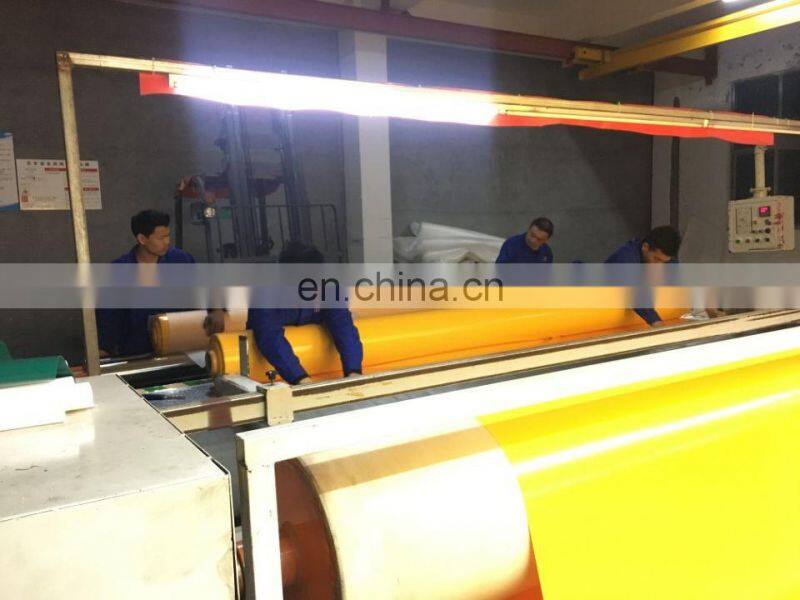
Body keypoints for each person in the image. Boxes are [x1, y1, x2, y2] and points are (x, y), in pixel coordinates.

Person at [205, 242, 363, 385]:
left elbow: (343, 326)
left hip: (317, 369)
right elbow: (269, 335)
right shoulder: (265, 292)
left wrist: (353, 371)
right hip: (270, 369)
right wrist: (300, 378)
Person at [96, 210, 195, 357]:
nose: (167, 242)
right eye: (161, 238)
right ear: (142, 239)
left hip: (179, 349)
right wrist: (104, 348)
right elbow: (108, 316)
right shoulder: (118, 271)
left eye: (168, 236)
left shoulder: (180, 260)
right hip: (137, 353)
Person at [605, 225, 681, 327]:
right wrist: (656, 322)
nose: (659, 265)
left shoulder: (663, 259)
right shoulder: (626, 257)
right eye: (656, 259)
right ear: (645, 247)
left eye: (664, 262)